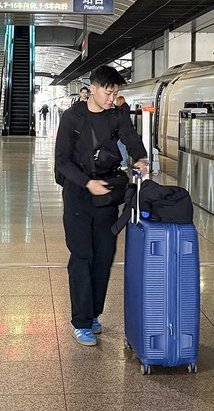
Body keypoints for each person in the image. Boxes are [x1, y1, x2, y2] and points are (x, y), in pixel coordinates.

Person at [55, 66, 148, 347]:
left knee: (104, 256)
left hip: (106, 194)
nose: (111, 98)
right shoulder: (72, 117)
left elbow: (130, 138)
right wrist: (87, 183)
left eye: (115, 93)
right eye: (108, 93)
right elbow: (62, 161)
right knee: (82, 256)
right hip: (78, 194)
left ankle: (94, 313)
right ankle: (81, 322)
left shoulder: (116, 115)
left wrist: (140, 158)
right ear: (93, 89)